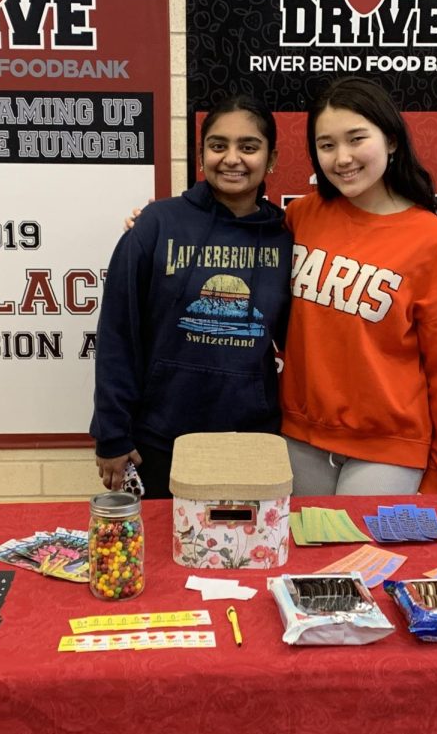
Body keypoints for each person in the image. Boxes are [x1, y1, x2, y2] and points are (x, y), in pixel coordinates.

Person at [281, 76, 437, 495]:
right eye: (327, 144)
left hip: (388, 448)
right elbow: (237, 247)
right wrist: (159, 228)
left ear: (390, 140)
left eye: (356, 139)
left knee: (363, 560)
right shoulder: (301, 216)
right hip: (300, 438)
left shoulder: (432, 240)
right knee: (303, 558)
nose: (342, 158)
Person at [90, 97, 292, 498]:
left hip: (252, 441)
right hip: (160, 439)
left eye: (248, 147)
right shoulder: (157, 224)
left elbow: (300, 338)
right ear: (201, 154)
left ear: (271, 158)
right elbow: (117, 333)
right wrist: (111, 434)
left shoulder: (286, 239)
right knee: (164, 558)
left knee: (243, 556)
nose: (231, 158)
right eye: (218, 146)